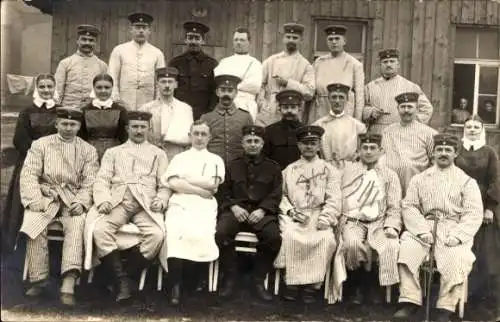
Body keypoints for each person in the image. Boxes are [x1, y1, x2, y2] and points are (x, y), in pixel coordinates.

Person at [394, 133, 483, 322]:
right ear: (433, 153)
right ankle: (410, 301)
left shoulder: (467, 181)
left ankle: (446, 307)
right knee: (407, 249)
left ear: (455, 153)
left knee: (457, 257)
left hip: (453, 227)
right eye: (439, 150)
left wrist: (458, 236)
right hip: (423, 225)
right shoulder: (419, 179)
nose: (443, 153)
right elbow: (409, 206)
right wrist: (421, 231)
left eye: (448, 150)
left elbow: (474, 213)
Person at [85, 111, 169, 303]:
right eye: (134, 127)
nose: (139, 131)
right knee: (99, 229)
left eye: (142, 127)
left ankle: (124, 276)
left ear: (149, 128)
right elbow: (102, 180)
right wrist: (103, 199)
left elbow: (164, 185)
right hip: (118, 201)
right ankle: (122, 281)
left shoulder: (159, 154)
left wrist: (161, 199)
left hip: (145, 204)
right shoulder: (113, 152)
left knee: (157, 235)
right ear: (127, 129)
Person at [19, 107, 99, 307]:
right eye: (64, 124)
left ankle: (69, 282)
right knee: (33, 222)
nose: (68, 128)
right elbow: (29, 174)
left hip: (72, 199)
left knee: (78, 224)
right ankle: (39, 279)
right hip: (47, 197)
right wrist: (35, 199)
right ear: (56, 124)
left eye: (73, 125)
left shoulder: (88, 150)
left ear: (79, 126)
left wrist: (81, 202)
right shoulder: (41, 145)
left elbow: (90, 181)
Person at [160, 120, 225, 305]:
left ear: (210, 137)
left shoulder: (215, 160)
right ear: (189, 136)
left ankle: (194, 280)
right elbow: (173, 183)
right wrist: (199, 187)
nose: (199, 138)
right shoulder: (180, 158)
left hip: (204, 204)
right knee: (176, 230)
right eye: (196, 133)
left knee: (200, 232)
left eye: (203, 134)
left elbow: (213, 185)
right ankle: (175, 285)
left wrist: (186, 180)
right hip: (180, 201)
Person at [275, 125, 341, 303]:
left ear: (319, 145)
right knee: (290, 235)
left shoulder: (329, 170)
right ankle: (292, 283)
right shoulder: (289, 170)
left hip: (318, 213)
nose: (309, 147)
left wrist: (325, 218)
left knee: (325, 239)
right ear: (299, 146)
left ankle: (313, 285)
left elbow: (334, 198)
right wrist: (290, 211)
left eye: (313, 143)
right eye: (305, 143)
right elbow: (280, 195)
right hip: (295, 214)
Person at [216, 125, 282, 301]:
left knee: (274, 237)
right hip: (236, 211)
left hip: (261, 213)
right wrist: (234, 207)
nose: (253, 145)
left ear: (262, 144)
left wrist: (263, 209)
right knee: (222, 233)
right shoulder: (232, 166)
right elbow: (223, 192)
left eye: (256, 141)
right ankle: (231, 277)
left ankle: (258, 279)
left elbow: (276, 193)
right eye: (249, 141)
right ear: (243, 143)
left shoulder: (273, 167)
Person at [339, 133, 402, 304]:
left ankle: (376, 285)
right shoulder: (347, 172)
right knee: (352, 244)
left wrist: (391, 226)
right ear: (359, 151)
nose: (368, 152)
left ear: (381, 151)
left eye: (372, 148)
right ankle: (356, 284)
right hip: (354, 222)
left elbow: (394, 206)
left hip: (379, 223)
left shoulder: (390, 175)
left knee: (389, 245)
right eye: (364, 148)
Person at [1, 74, 60, 255]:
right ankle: (15, 246)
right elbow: (20, 139)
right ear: (37, 88)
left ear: (54, 88)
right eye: (42, 87)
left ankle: (48, 245)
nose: (46, 90)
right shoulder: (26, 111)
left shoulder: (60, 111)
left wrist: (51, 158)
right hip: (29, 161)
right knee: (22, 201)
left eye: (49, 86)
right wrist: (36, 158)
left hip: (54, 162)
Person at [455, 115, 500, 319]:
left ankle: (483, 296)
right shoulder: (457, 149)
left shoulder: (489, 152)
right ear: (464, 129)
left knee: (485, 249)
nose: (472, 130)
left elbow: (496, 179)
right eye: (469, 126)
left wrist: (490, 208)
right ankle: (459, 293)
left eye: (476, 127)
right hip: (458, 202)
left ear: (482, 129)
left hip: (482, 204)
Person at [256, 23, 315, 127]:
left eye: (295, 38)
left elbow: (309, 92)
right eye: (288, 37)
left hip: (293, 111)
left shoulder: (306, 65)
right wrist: (262, 103)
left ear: (301, 40)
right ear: (283, 39)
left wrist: (288, 83)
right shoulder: (271, 61)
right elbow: (259, 84)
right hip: (271, 110)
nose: (291, 40)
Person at [363, 49, 433, 134]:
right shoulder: (370, 87)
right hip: (377, 132)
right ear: (380, 65)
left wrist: (410, 121)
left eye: (392, 61)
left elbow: (427, 109)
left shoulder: (410, 86)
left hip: (402, 131)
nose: (388, 65)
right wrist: (370, 112)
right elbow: (361, 108)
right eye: (385, 62)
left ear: (398, 65)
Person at [381, 92, 437, 194]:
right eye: (403, 107)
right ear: (398, 109)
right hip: (389, 184)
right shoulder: (388, 131)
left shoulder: (429, 133)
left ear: (417, 109)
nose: (406, 110)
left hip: (416, 185)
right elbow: (382, 155)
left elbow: (435, 162)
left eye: (410, 107)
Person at [108, 13, 165, 110]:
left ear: (149, 31)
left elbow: (161, 81)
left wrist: (158, 102)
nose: (141, 31)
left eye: (144, 28)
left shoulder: (157, 53)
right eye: (137, 27)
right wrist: (115, 100)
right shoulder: (119, 50)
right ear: (131, 30)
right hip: (124, 101)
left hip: (148, 102)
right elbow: (112, 76)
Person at [308, 25, 364, 123]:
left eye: (337, 39)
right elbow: (311, 89)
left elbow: (359, 96)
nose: (334, 42)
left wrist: (357, 120)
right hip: (321, 110)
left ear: (344, 41)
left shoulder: (354, 64)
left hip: (344, 111)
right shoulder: (319, 62)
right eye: (330, 39)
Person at [140, 67, 194, 161]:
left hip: (177, 155)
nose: (167, 85)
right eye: (163, 82)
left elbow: (189, 137)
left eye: (170, 82)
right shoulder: (146, 109)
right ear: (157, 84)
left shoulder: (185, 108)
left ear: (176, 84)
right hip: (152, 155)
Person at [168, 21, 218, 120]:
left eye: (197, 38)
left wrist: (209, 113)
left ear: (203, 41)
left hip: (203, 114)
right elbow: (169, 88)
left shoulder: (212, 64)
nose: (193, 42)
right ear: (185, 40)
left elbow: (215, 92)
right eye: (190, 38)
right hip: (179, 113)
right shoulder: (175, 63)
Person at [200, 74, 253, 164]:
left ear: (236, 93)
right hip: (213, 165)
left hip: (239, 166)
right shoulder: (206, 118)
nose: (226, 94)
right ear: (217, 92)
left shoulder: (245, 117)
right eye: (223, 90)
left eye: (230, 90)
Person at [313, 83, 366, 169]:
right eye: (334, 97)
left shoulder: (358, 126)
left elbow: (361, 154)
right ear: (329, 99)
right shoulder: (318, 125)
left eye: (341, 97)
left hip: (349, 170)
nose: (337, 101)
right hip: (325, 170)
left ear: (347, 99)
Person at [215, 27, 262, 121]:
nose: (238, 42)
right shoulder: (224, 62)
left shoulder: (255, 63)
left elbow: (254, 86)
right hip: (224, 102)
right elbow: (217, 80)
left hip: (246, 104)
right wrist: (238, 84)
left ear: (249, 42)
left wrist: (228, 86)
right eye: (236, 40)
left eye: (242, 40)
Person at [54, 25, 107, 109]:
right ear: (77, 41)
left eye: (91, 40)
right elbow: (57, 91)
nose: (87, 43)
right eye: (84, 39)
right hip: (69, 109)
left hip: (92, 110)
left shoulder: (102, 65)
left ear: (95, 43)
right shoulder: (65, 63)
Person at [79, 73, 128, 160]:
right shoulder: (84, 110)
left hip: (114, 153)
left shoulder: (121, 110)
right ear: (93, 88)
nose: (103, 91)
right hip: (89, 152)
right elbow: (81, 136)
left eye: (107, 87)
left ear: (112, 88)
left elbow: (123, 137)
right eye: (99, 87)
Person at [262, 89, 304, 170]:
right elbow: (264, 158)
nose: (289, 111)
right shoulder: (269, 131)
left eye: (293, 107)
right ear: (279, 108)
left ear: (299, 108)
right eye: (285, 107)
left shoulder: (304, 131)